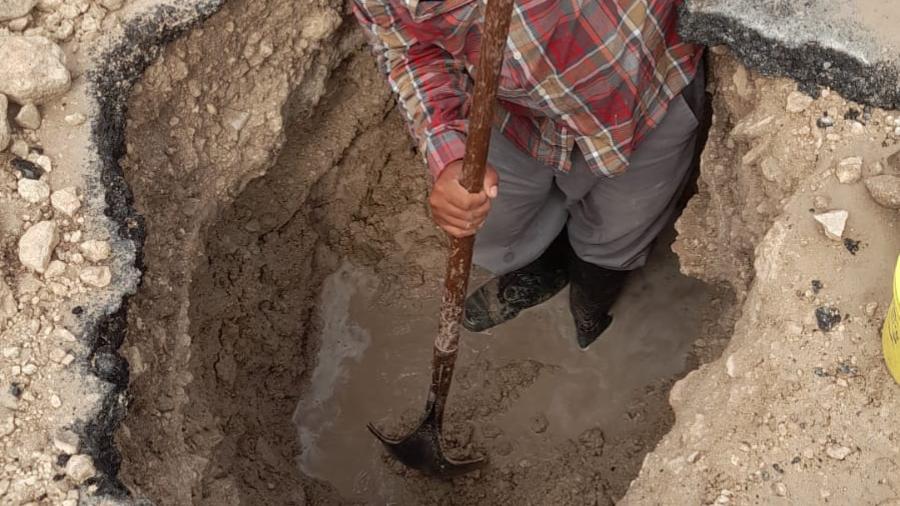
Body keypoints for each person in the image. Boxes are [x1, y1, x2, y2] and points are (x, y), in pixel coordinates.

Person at [352, 0, 706, 350]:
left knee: (620, 228)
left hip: (644, 87)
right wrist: (448, 152)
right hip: (513, 110)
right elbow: (409, 50)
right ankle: (546, 267)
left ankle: (592, 296)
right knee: (490, 224)